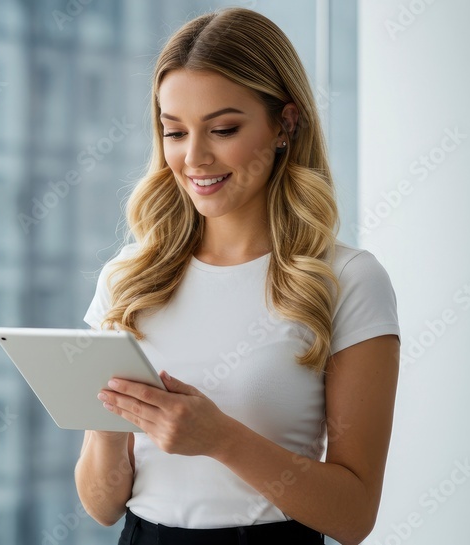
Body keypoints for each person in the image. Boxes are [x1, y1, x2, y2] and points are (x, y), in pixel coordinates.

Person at [75, 7, 400, 545]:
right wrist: (111, 424)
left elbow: (354, 516)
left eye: (223, 129)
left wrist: (220, 439)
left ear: (285, 124)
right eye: (174, 132)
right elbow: (101, 506)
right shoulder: (127, 279)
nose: (194, 158)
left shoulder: (348, 280)